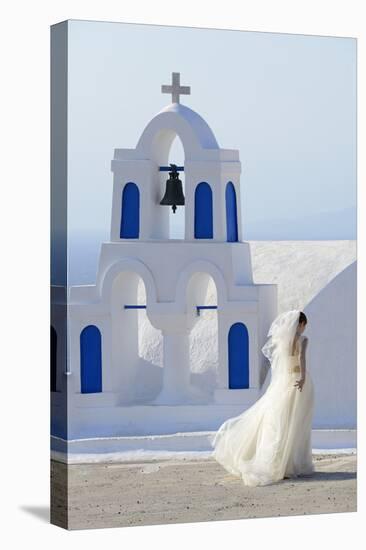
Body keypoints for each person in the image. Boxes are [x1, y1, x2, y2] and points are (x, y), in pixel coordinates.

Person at [209, 309, 315, 487]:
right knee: (296, 423)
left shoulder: (283, 341)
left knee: (281, 422)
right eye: (304, 325)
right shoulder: (303, 340)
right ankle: (292, 463)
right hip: (298, 381)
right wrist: (303, 378)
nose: (303, 328)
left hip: (284, 383)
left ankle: (284, 463)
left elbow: (279, 364)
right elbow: (301, 358)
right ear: (301, 324)